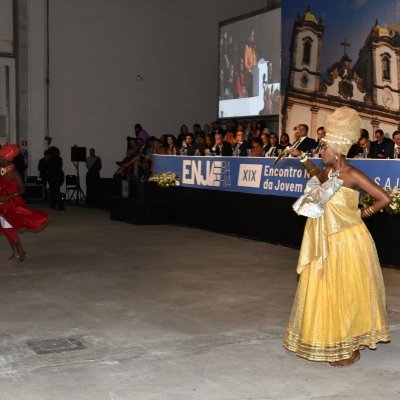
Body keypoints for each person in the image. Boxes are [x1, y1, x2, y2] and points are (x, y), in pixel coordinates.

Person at [283, 106, 391, 367]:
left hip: (349, 242)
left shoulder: (351, 174)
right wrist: (300, 158)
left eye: (324, 147)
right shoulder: (328, 173)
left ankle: (351, 348)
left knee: (347, 294)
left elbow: (383, 198)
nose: (321, 151)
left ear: (336, 149)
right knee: (329, 292)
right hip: (327, 241)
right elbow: (316, 179)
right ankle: (334, 339)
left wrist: (362, 213)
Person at [0, 144, 48, 261]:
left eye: (0, 156)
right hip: (2, 202)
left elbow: (22, 190)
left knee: (8, 228)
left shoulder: (13, 172)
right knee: (6, 228)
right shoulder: (2, 167)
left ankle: (20, 251)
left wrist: (9, 196)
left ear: (6, 158)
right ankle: (17, 252)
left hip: (11, 204)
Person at [47, 146, 65, 211]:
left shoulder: (49, 159)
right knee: (55, 191)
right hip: (59, 176)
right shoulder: (60, 159)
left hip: (54, 176)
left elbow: (49, 168)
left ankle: (60, 206)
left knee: (55, 191)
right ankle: (53, 205)